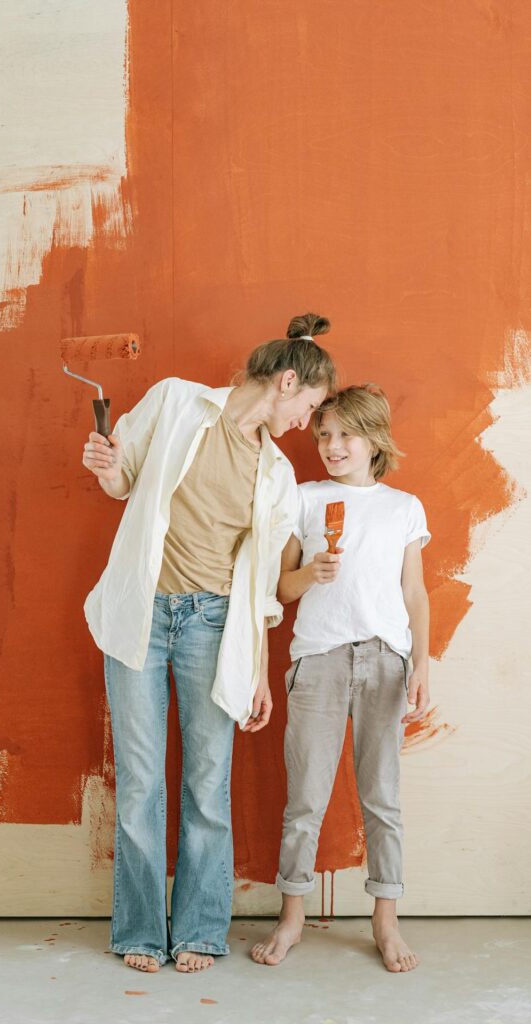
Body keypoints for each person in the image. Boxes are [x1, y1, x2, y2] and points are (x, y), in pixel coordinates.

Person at [82, 314, 336, 973]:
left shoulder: (275, 473)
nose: (304, 425)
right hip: (140, 614)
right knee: (139, 781)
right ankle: (140, 931)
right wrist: (103, 463)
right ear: (285, 382)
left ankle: (196, 929)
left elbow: (258, 584)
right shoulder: (175, 400)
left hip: (215, 627)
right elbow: (123, 478)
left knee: (206, 781)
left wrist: (253, 666)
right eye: (307, 407)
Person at [251, 384, 430, 973]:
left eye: (345, 434)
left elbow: (414, 592)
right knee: (305, 799)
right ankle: (292, 916)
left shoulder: (404, 507)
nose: (331, 445)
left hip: (385, 659)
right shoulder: (304, 499)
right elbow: (282, 588)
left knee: (383, 798)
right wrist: (312, 572)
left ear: (373, 438)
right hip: (319, 660)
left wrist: (420, 662)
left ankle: (385, 919)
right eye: (323, 433)